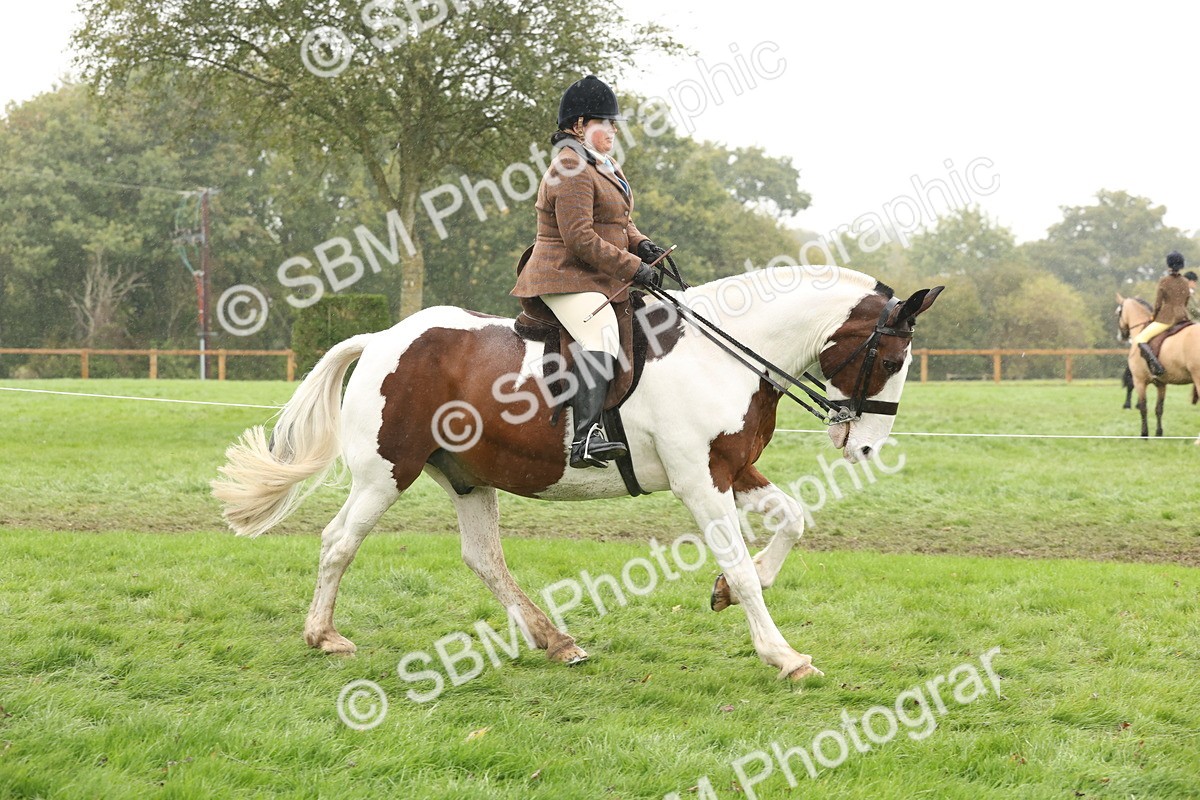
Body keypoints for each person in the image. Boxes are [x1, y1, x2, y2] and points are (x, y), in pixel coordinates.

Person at [511, 75, 670, 469]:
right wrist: (634, 268)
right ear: (580, 125)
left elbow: (619, 222)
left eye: (614, 124)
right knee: (600, 332)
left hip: (591, 274)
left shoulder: (603, 165)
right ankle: (584, 439)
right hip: (561, 274)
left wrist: (641, 244)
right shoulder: (569, 168)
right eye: (606, 123)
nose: (614, 131)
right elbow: (580, 238)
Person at [1132, 251, 1191, 376]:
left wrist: (1154, 316)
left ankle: (1157, 367)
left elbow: (1158, 303)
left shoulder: (1164, 281)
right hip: (1183, 317)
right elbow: (1186, 300)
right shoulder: (1186, 281)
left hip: (1167, 318)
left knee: (1140, 338)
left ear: (1169, 265)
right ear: (1181, 265)